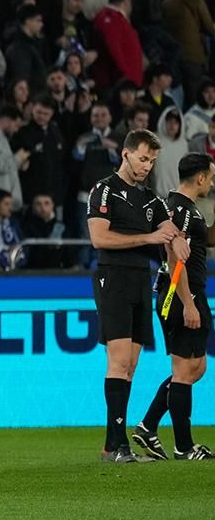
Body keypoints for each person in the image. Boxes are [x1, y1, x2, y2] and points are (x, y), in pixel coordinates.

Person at [87, 130, 187, 463]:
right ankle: (119, 447)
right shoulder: (104, 190)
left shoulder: (151, 200)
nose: (147, 166)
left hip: (141, 282)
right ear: (126, 154)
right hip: (112, 277)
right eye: (143, 158)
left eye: (152, 161)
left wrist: (177, 241)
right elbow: (99, 238)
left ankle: (111, 445)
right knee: (118, 360)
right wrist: (151, 236)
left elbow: (169, 234)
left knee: (130, 365)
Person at [132, 153, 215, 461]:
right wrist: (188, 303)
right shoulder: (181, 209)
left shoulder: (181, 207)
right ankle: (184, 446)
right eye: (211, 177)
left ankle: (148, 426)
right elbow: (173, 256)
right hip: (182, 295)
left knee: (197, 367)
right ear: (201, 178)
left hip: (188, 293)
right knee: (184, 370)